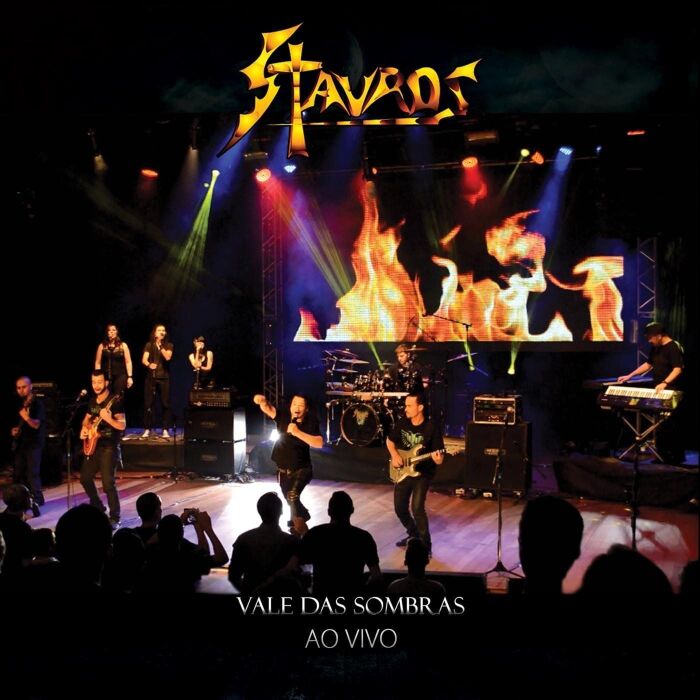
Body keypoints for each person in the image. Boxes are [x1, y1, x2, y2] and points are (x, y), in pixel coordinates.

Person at [617, 321, 685, 464]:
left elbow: (677, 368)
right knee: (659, 425)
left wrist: (665, 383)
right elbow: (648, 364)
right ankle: (662, 456)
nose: (649, 340)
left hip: (671, 391)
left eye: (650, 337)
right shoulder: (656, 348)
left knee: (670, 425)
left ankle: (675, 457)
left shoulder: (673, 347)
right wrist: (629, 376)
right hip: (659, 390)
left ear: (659, 335)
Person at [386, 392, 444, 557]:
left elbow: (439, 457)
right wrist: (395, 455)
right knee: (399, 508)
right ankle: (413, 534)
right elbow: (390, 441)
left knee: (417, 508)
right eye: (406, 405)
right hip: (402, 471)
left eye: (409, 406)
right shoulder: (402, 422)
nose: (406, 409)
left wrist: (438, 459)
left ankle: (425, 546)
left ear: (420, 407)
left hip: (423, 473)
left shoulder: (431, 426)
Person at [253, 393, 323, 527]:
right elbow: (269, 409)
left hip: (302, 469)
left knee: (292, 496)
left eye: (301, 405)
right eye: (294, 404)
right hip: (282, 470)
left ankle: (296, 524)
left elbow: (319, 443)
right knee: (291, 501)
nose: (297, 407)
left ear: (306, 409)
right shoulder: (283, 416)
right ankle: (299, 521)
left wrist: (297, 432)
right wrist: (263, 402)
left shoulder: (311, 421)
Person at [79, 370, 125, 529]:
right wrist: (84, 430)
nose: (96, 385)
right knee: (85, 478)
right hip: (94, 446)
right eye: (94, 382)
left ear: (106, 382)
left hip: (109, 446)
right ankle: (98, 507)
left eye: (99, 382)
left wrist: (108, 418)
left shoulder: (115, 401)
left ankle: (115, 517)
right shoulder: (92, 401)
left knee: (108, 484)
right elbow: (86, 421)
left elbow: (122, 425)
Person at [10, 376, 46, 514]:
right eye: (18, 388)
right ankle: (22, 499)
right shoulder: (19, 403)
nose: (21, 390)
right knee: (19, 472)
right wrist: (14, 430)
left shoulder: (37, 404)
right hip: (21, 443)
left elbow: (36, 425)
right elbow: (16, 423)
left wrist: (26, 417)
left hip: (34, 443)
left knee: (33, 473)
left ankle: (37, 499)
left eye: (23, 387)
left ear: (30, 386)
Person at [141, 323, 174, 438]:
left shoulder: (169, 345)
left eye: (163, 330)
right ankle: (147, 428)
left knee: (165, 403)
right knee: (149, 403)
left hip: (164, 377)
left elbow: (168, 357)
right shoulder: (149, 345)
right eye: (159, 330)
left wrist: (161, 346)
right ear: (155, 333)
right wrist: (149, 364)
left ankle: (165, 429)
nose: (162, 332)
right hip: (151, 377)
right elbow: (144, 359)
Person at [94, 324, 134, 396]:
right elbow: (97, 362)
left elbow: (128, 362)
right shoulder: (102, 346)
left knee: (118, 397)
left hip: (120, 376)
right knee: (106, 397)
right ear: (107, 333)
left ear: (117, 332)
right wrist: (97, 377)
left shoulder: (123, 345)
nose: (111, 332)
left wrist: (130, 377)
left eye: (113, 330)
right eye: (109, 330)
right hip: (105, 376)